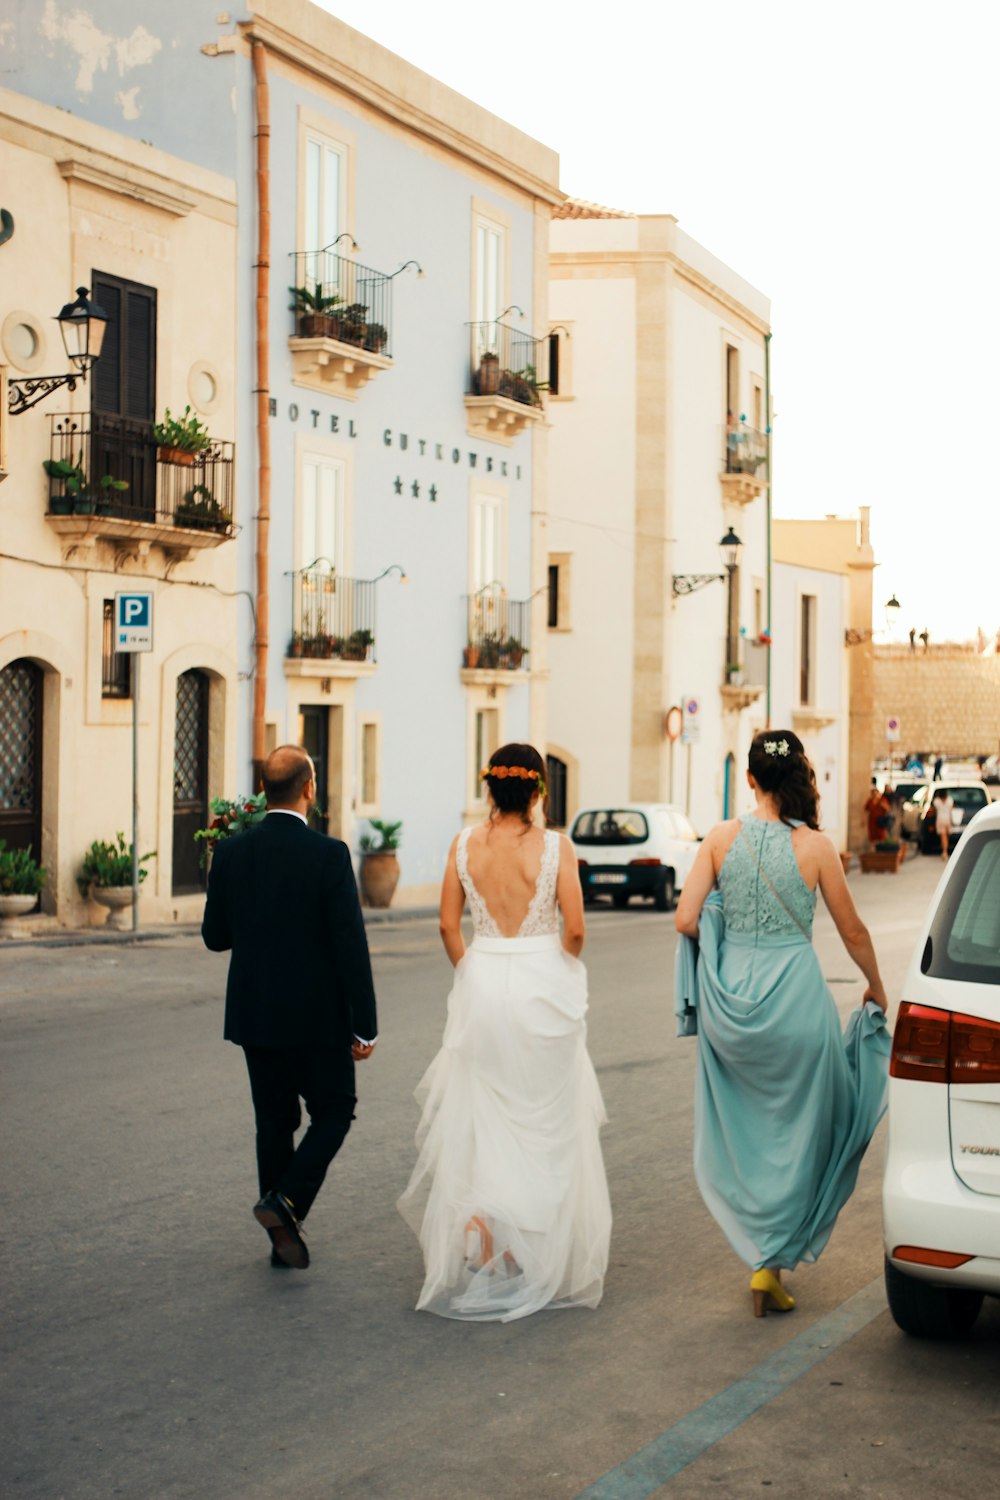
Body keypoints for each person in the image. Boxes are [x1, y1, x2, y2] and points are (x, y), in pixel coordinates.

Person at [674, 730, 891, 1318]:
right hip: (796, 1002)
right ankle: (770, 1259)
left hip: (733, 1011)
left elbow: (686, 918)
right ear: (798, 777)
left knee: (749, 1132)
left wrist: (725, 926)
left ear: (749, 779)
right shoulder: (816, 847)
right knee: (811, 1129)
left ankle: (761, 1254)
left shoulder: (720, 839)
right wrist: (876, 986)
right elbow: (853, 932)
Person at [398, 743, 611, 1321]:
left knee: (487, 1109)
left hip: (485, 976)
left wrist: (472, 969)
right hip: (543, 980)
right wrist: (561, 973)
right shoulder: (556, 848)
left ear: (490, 787)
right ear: (538, 791)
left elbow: (447, 923)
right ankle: (524, 1236)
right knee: (542, 1113)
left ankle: (486, 1222)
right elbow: (576, 928)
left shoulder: (463, 844)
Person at [202, 745, 377, 1270]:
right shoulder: (328, 855)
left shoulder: (231, 853)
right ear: (309, 789)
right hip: (318, 1018)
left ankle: (282, 1237)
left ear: (263, 791)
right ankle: (286, 1201)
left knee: (274, 1123)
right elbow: (350, 944)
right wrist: (364, 1026)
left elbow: (215, 937)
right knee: (335, 1111)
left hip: (256, 1015)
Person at [930, 785, 955, 861]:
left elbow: (935, 809)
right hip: (948, 818)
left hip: (940, 818)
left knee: (943, 836)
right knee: (946, 835)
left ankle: (944, 851)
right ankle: (945, 850)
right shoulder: (950, 800)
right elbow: (952, 809)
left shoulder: (936, 801)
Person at [863, 778, 891, 846]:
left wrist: (883, 806)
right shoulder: (870, 801)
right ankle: (874, 851)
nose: (875, 795)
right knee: (873, 836)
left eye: (876, 793)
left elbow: (888, 809)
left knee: (881, 835)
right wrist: (863, 820)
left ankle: (881, 850)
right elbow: (866, 811)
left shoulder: (882, 800)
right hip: (872, 821)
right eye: (873, 793)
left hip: (880, 821)